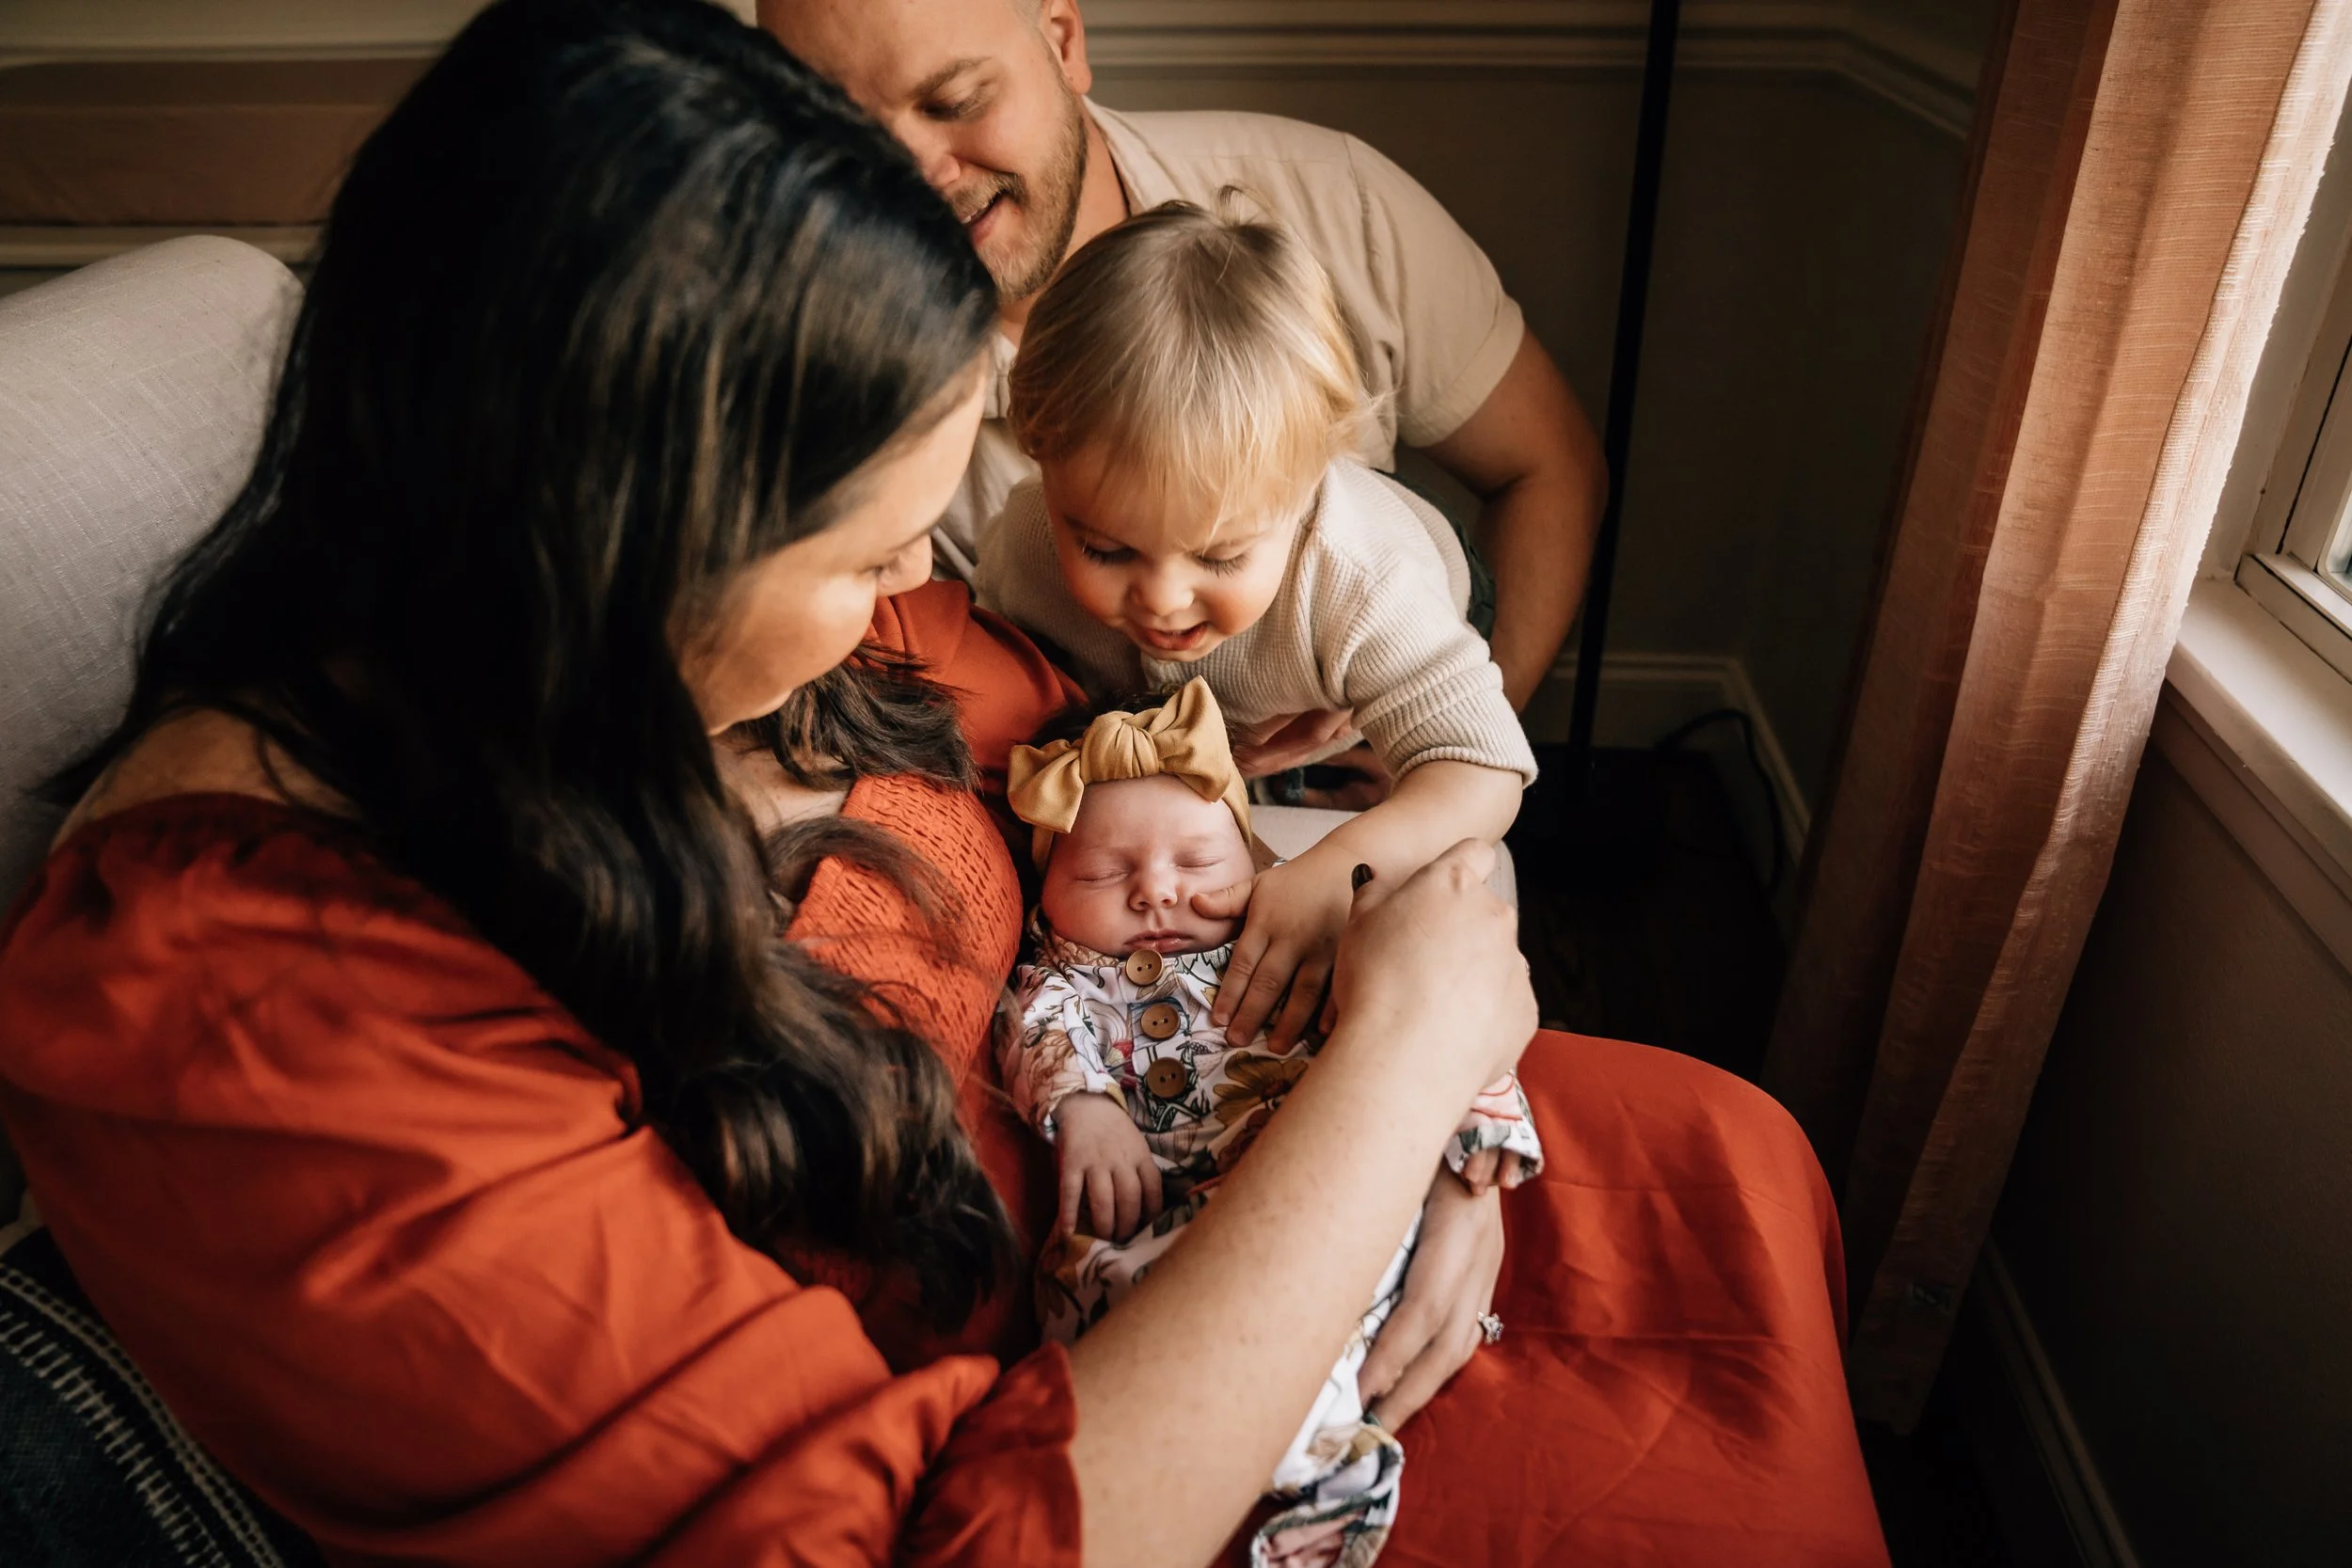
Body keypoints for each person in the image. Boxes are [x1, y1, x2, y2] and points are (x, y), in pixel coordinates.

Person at [0, 4, 1891, 1565]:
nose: (897, 603)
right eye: (860, 555)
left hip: (1166, 1117)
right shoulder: (255, 1006)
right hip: (1066, 1398)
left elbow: (1270, 789)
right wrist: (1397, 1085)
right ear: (624, 528)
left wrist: (1445, 1104)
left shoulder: (664, 654)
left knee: (1735, 1151)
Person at [755, 0, 1607, 763]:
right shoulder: (797, 375)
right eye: (851, 137)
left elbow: (1550, 467)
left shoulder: (1332, 203)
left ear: (1062, 38)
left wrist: (1438, 737)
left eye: (957, 102)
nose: (916, 181)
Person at [999, 680, 1543, 1568]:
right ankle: (1314, 1454)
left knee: (1383, 1261)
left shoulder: (1292, 934)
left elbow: (1449, 1015)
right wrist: (1086, 1106)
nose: (1157, 894)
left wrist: (1474, 1152)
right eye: (1102, 872)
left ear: (1252, 853)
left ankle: (1324, 1440)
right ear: (1044, 885)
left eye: (1200, 862)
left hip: (1336, 1171)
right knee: (1095, 1286)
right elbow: (1030, 1032)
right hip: (1170, 1218)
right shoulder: (1062, 981)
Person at [980, 202, 1537, 1047]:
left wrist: (1337, 868)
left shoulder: (1366, 575)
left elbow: (1485, 765)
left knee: (1394, 795)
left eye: (1220, 555)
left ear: (1311, 480)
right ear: (1037, 454)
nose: (1165, 601)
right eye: (1105, 548)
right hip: (1190, 713)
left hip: (1368, 634)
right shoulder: (1024, 547)